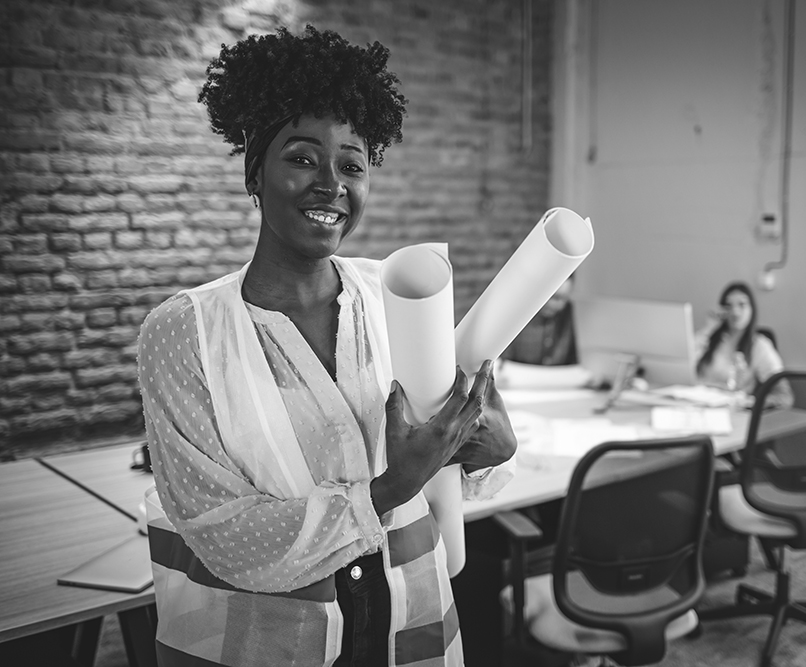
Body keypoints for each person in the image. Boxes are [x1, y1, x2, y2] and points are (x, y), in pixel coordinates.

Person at [136, 27, 516, 667]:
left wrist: (491, 449)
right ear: (255, 170)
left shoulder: (398, 294)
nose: (331, 184)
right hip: (267, 640)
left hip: (410, 619)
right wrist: (393, 486)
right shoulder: (185, 331)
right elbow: (222, 533)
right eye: (302, 157)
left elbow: (463, 457)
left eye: (352, 165)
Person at [695, 280, 793, 409]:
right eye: (728, 306)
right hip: (697, 404)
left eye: (742, 305)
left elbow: (784, 397)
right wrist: (708, 329)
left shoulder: (759, 345)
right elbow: (686, 367)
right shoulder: (710, 338)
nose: (735, 312)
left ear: (752, 309)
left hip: (732, 409)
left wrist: (752, 403)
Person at [500, 274, 578, 366]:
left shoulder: (569, 313)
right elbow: (502, 365)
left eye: (564, 298)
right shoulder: (516, 314)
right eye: (554, 297)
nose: (559, 305)